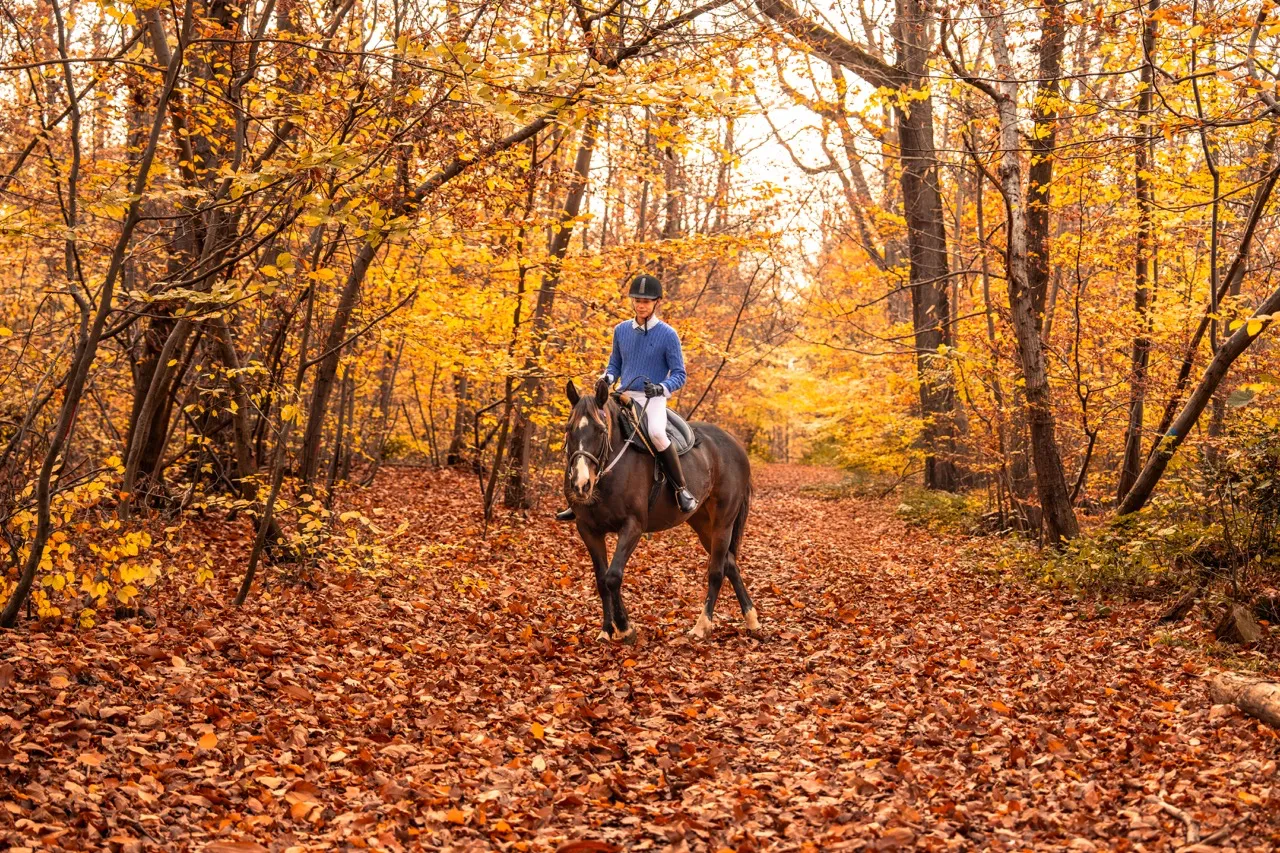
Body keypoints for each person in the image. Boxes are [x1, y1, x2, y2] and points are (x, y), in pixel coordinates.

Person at [556, 274, 698, 521]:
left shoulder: (668, 334)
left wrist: (661, 387)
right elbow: (615, 365)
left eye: (646, 301)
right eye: (637, 300)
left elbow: (679, 374)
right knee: (588, 431)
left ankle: (681, 490)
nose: (641, 305)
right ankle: (576, 498)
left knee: (656, 433)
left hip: (652, 398)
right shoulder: (621, 330)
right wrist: (607, 378)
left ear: (656, 302)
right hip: (623, 395)